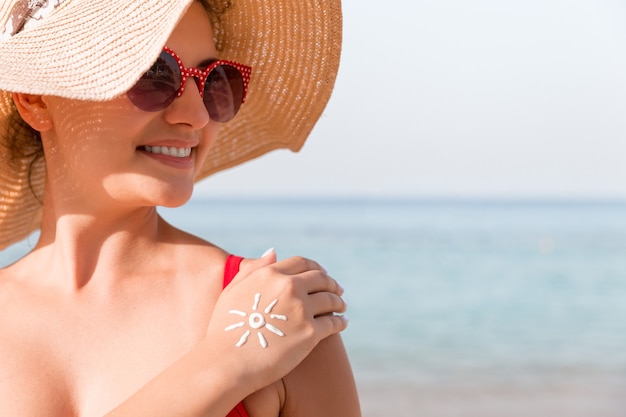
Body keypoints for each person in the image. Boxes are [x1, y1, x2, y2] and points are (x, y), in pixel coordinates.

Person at [0, 0, 360, 416]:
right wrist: (227, 365)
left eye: (214, 81)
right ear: (36, 99)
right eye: (155, 73)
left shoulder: (286, 314)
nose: (196, 115)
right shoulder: (264, 328)